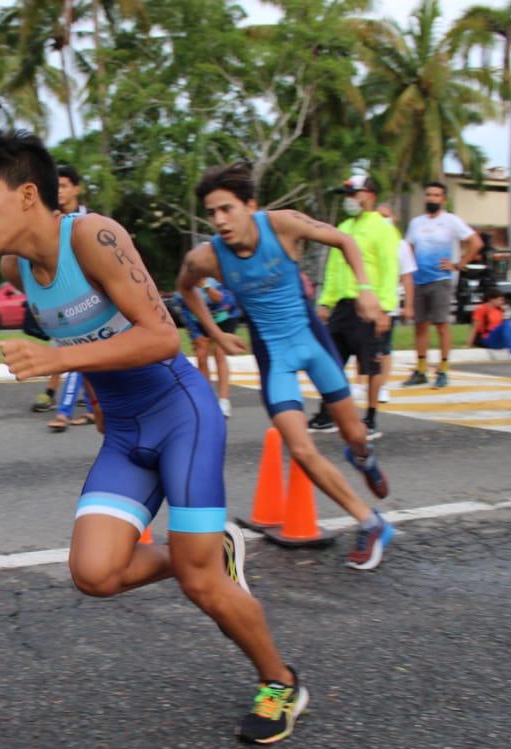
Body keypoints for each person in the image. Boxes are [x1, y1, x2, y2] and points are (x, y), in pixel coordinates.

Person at [0, 129, 307, 745]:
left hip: (181, 416)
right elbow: (96, 339)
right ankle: (207, 550)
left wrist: (56, 357)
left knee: (202, 585)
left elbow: (162, 337)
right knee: (95, 574)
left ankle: (280, 683)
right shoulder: (15, 266)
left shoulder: (93, 236)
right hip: (124, 432)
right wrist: (92, 395)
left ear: (28, 194)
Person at [178, 162, 395, 572]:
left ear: (251, 206)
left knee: (354, 434)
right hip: (273, 356)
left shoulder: (284, 225)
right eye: (212, 213)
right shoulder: (207, 257)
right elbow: (185, 289)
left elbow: (345, 242)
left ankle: (363, 457)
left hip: (313, 344)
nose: (220, 220)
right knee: (299, 448)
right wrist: (215, 334)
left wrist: (366, 290)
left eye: (227, 209)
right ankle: (371, 522)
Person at [307, 175, 402, 440]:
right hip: (342, 306)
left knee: (370, 365)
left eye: (353, 194)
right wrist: (326, 301)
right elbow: (334, 268)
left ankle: (370, 419)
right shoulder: (343, 227)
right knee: (330, 361)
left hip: (369, 305)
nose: (349, 200)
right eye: (346, 195)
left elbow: (389, 269)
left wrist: (384, 309)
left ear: (369, 194)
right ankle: (327, 414)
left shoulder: (383, 228)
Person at [403, 181, 482, 388]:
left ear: (443, 199)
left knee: (442, 325)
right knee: (420, 326)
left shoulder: (451, 221)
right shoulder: (416, 223)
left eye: (436, 195)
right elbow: (408, 248)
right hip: (419, 280)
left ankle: (443, 370)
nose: (432, 198)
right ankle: (421, 370)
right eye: (429, 195)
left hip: (441, 280)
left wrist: (458, 265)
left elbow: (476, 243)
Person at [42, 164, 93, 429]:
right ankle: (82, 408)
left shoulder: (91, 221)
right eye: (54, 187)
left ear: (76, 188)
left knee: (81, 353)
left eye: (63, 186)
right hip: (63, 299)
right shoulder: (50, 221)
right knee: (79, 353)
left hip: (93, 296)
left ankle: (64, 411)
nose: (58, 192)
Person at [178, 278, 241, 418]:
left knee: (219, 352)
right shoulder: (183, 288)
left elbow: (220, 299)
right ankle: (207, 399)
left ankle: (224, 401)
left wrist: (205, 287)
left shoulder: (215, 281)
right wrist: (195, 335)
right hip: (198, 319)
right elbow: (185, 311)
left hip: (225, 316)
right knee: (201, 354)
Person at [377, 204, 417, 405]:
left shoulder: (400, 245)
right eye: (379, 216)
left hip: (388, 304)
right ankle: (359, 384)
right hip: (365, 303)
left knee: (384, 348)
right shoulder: (368, 241)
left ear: (393, 218)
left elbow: (407, 277)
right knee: (364, 348)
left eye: (386, 216)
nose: (382, 219)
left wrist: (408, 305)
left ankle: (382, 386)